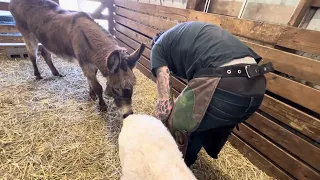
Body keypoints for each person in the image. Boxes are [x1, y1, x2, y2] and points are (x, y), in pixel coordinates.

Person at [151, 21, 274, 167]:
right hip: (257, 86)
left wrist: (153, 128)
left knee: (175, 122)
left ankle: (167, 168)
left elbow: (165, 104)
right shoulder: (187, 34)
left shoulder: (158, 48)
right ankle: (187, 165)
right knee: (198, 123)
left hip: (226, 82)